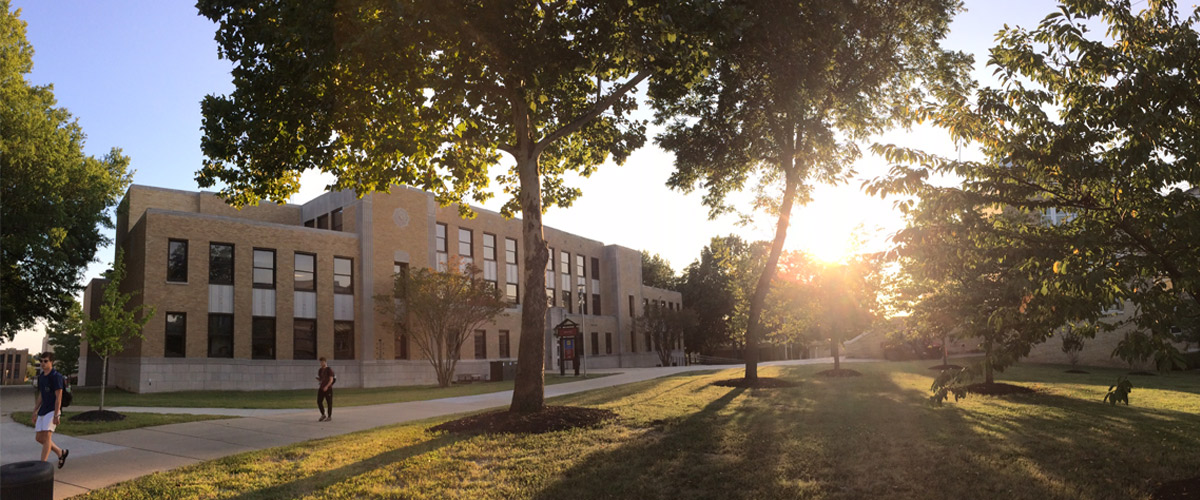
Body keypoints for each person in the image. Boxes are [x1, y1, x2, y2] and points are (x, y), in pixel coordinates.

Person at [32, 352, 69, 468]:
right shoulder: (42, 377)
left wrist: (56, 414)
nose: (43, 363)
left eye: (45, 361)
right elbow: (41, 395)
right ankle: (60, 452)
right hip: (43, 410)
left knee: (47, 436)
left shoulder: (56, 376)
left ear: (51, 362)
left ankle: (42, 465)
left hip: (52, 410)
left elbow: (59, 396)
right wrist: (35, 410)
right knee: (39, 438)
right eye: (41, 361)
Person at [316, 357, 335, 421]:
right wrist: (319, 379)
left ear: (325, 362)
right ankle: (323, 414)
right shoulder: (320, 370)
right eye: (320, 362)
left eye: (322, 362)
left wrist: (326, 386)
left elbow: (331, 380)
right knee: (319, 401)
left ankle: (329, 416)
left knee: (329, 402)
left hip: (328, 388)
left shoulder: (329, 369)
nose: (321, 363)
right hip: (321, 388)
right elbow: (322, 379)